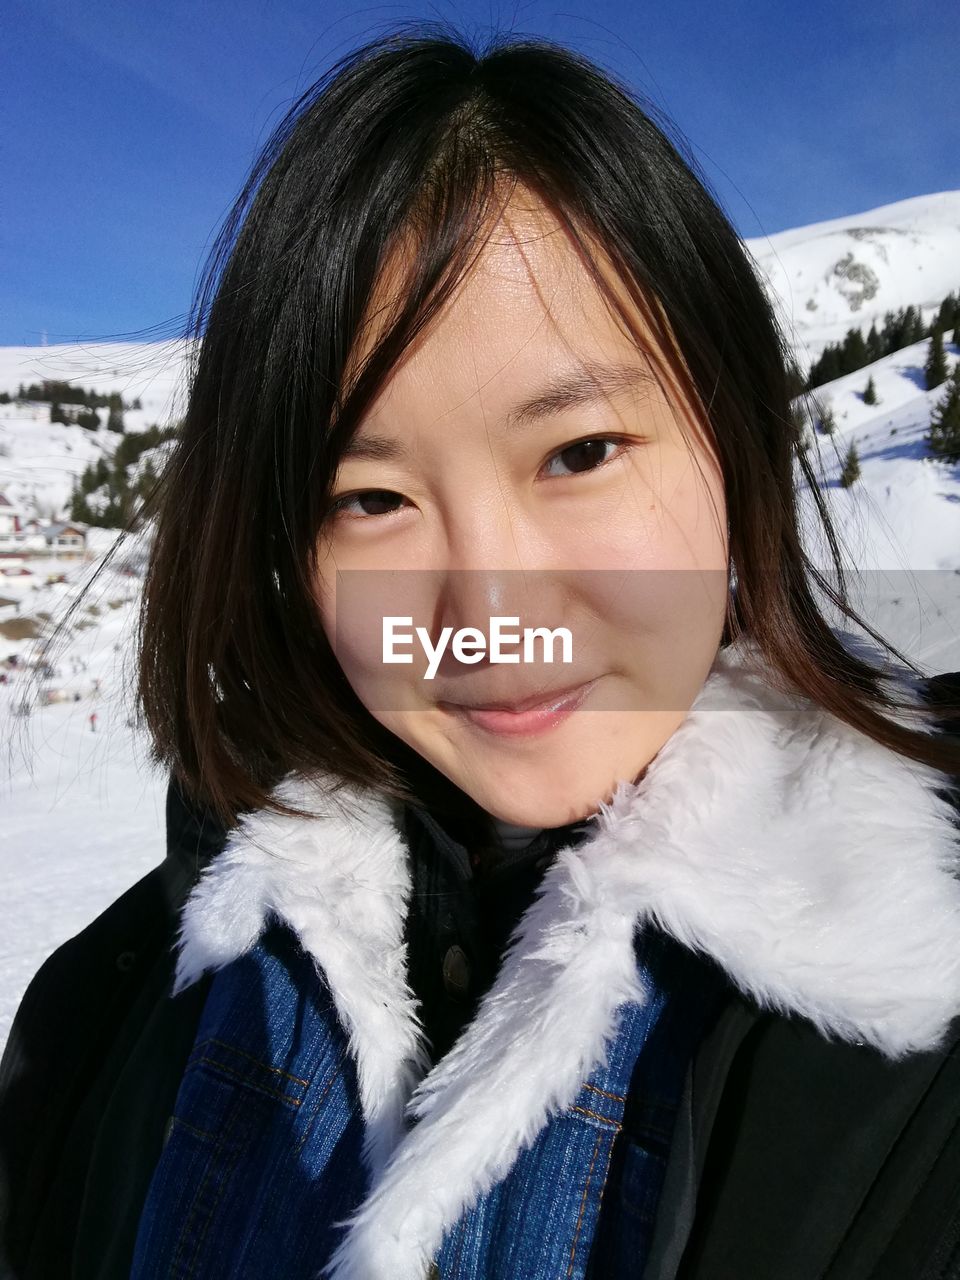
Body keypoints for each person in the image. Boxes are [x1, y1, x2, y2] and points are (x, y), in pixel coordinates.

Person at [2, 26, 960, 1280]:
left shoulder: (913, 988)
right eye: (370, 499)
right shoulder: (120, 1007)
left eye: (579, 453)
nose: (486, 603)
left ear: (729, 442)